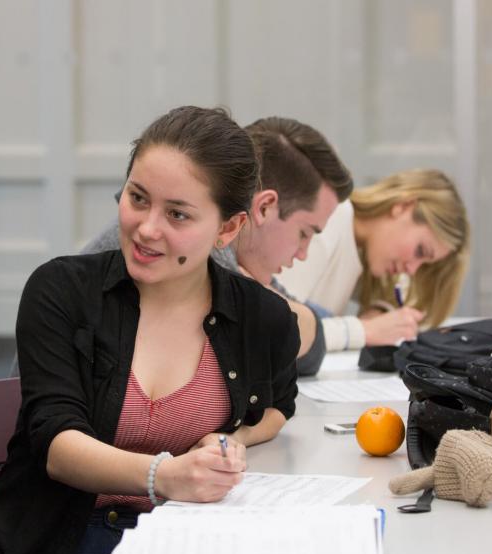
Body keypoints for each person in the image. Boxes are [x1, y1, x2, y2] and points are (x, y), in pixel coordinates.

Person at [0, 106, 301, 554]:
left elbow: (277, 407)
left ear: (227, 229)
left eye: (178, 214)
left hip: (183, 547)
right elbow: (58, 446)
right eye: (137, 199)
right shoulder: (61, 291)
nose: (147, 228)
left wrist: (228, 437)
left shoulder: (263, 318)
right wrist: (166, 476)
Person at [83, 116, 354, 375]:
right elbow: (274, 347)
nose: (303, 253)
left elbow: (307, 339)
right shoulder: (200, 251)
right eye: (304, 233)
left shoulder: (232, 261)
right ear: (264, 207)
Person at [277, 168, 470, 350]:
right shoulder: (330, 218)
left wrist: (380, 314)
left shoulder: (359, 253)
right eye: (420, 251)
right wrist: (363, 331)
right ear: (403, 206)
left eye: (424, 265)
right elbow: (274, 328)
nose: (412, 270)